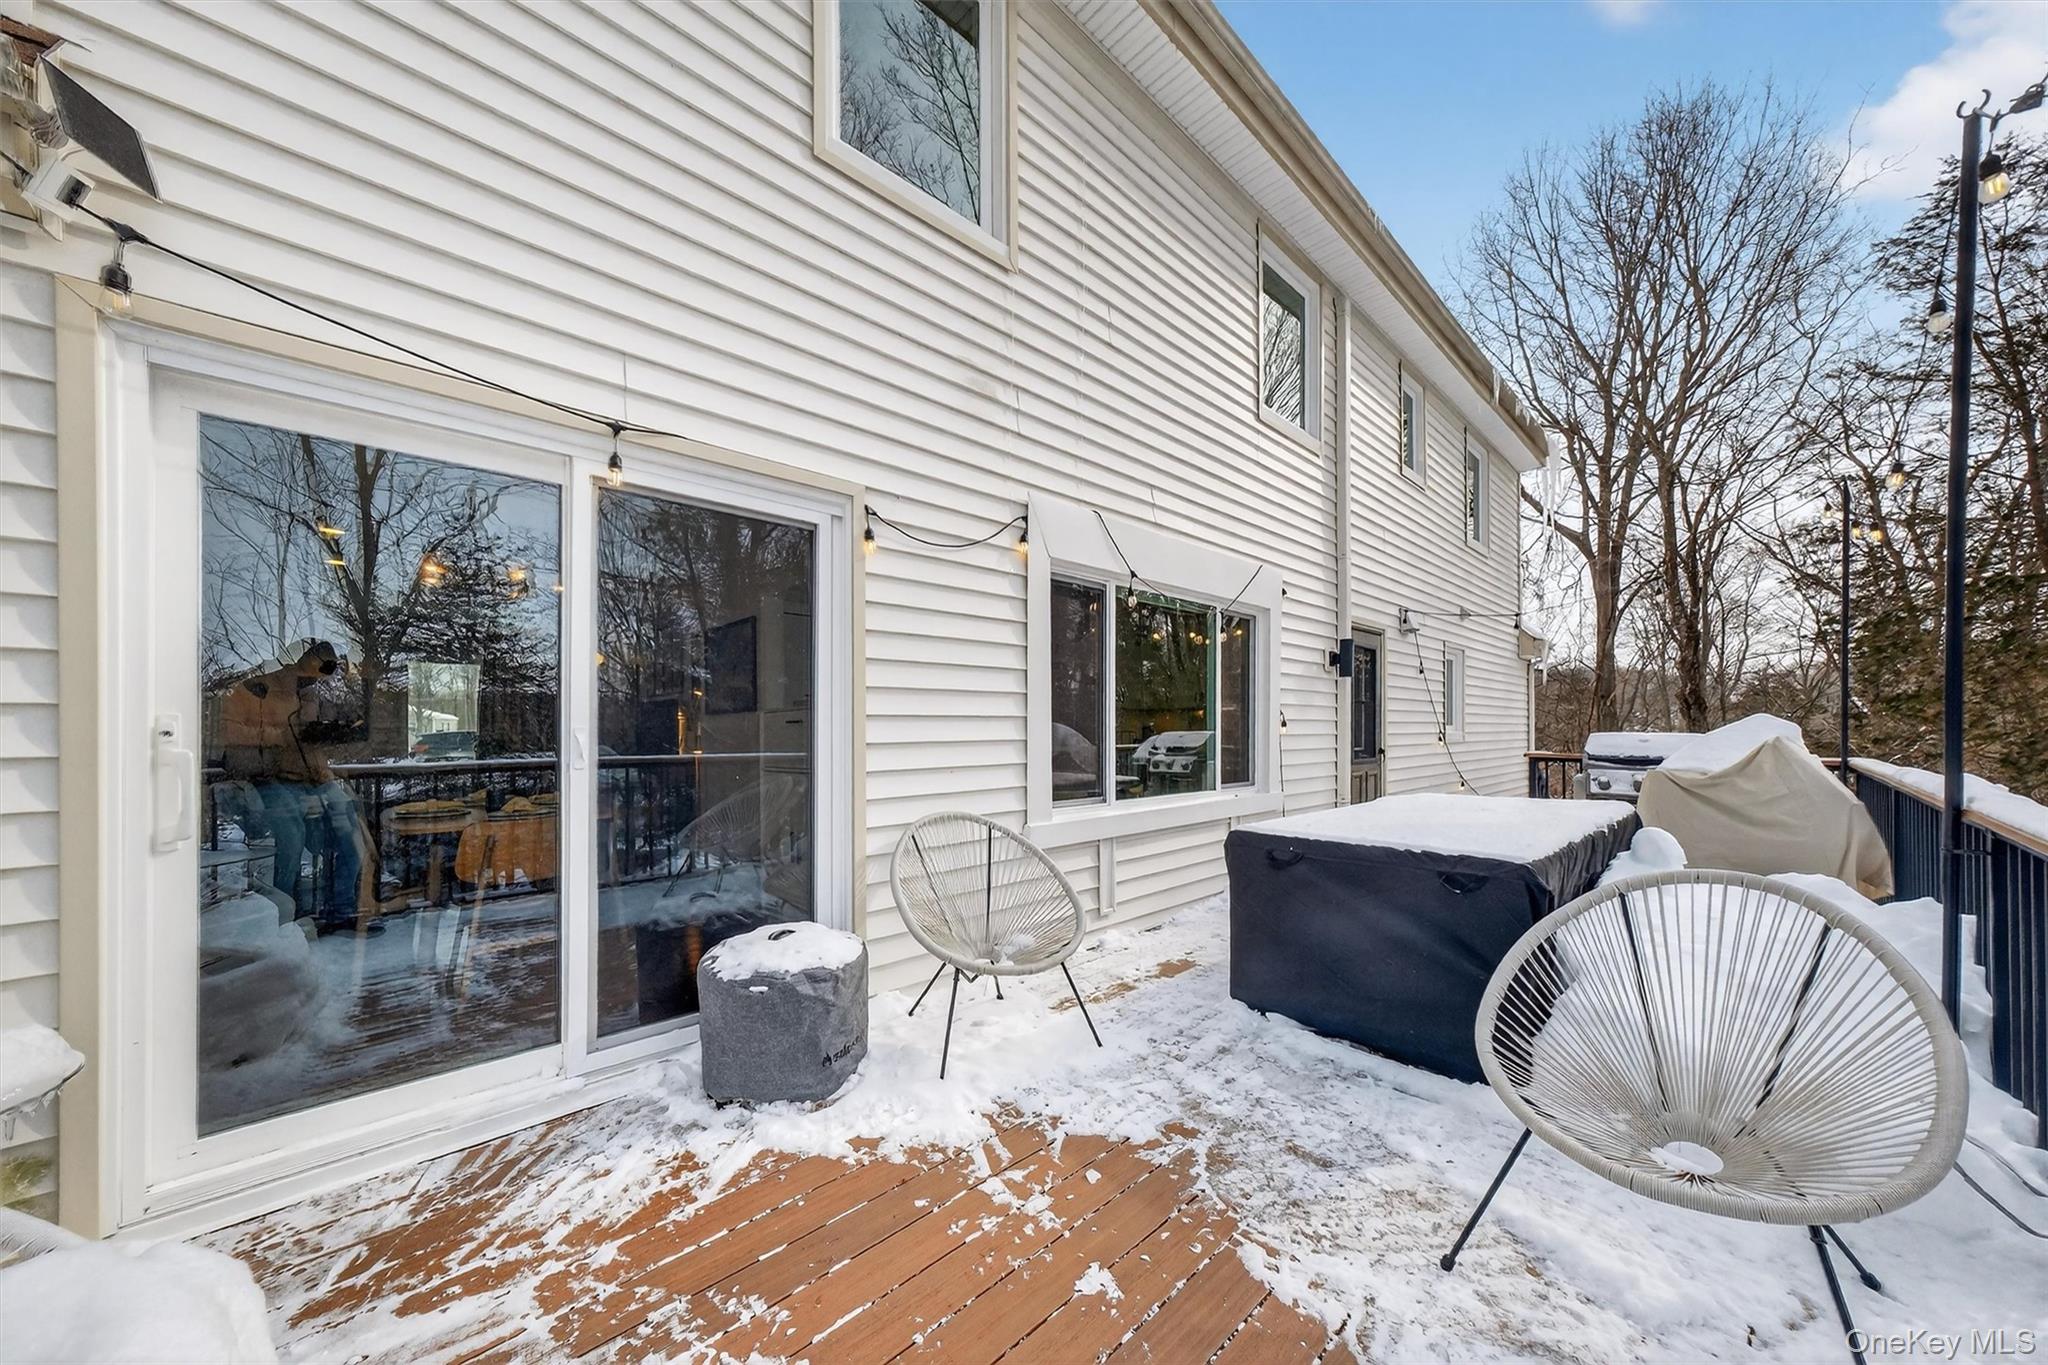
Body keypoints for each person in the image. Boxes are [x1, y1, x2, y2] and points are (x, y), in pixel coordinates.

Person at [218, 640, 364, 933]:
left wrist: (335, 732)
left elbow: (318, 736)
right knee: (292, 839)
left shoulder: (313, 694)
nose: (322, 676)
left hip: (318, 778)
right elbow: (232, 734)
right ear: (303, 661)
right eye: (321, 667)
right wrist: (282, 733)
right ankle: (282, 919)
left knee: (353, 840)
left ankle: (341, 908)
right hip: (276, 778)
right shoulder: (256, 690)